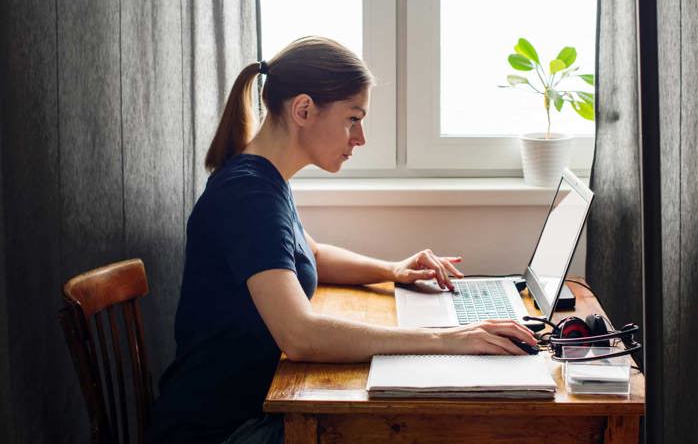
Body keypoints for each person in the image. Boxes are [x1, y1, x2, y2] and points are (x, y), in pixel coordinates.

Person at [147, 36, 537, 444]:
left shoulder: (263, 182)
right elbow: (300, 336)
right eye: (353, 118)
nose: (361, 137)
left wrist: (393, 270)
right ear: (303, 109)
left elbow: (311, 254)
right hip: (223, 430)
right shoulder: (248, 195)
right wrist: (448, 340)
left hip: (248, 410)